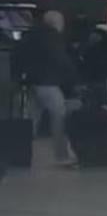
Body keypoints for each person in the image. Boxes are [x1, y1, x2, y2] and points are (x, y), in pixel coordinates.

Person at [15, 11, 77, 166]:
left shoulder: (31, 35)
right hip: (48, 82)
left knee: (31, 120)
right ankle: (62, 156)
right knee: (59, 116)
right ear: (57, 23)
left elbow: (17, 56)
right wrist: (73, 76)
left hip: (31, 82)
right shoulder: (52, 36)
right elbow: (60, 58)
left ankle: (20, 155)